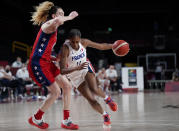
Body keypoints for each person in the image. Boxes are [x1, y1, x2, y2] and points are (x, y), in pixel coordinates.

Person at [27, 1, 81, 130]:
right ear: (53, 16)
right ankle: (36, 117)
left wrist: (53, 58)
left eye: (63, 14)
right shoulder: (48, 25)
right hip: (38, 63)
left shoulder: (54, 28)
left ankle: (66, 120)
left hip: (46, 61)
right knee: (56, 92)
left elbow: (44, 48)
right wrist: (70, 16)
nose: (62, 16)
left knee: (67, 86)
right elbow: (57, 21)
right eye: (60, 14)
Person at [59, 29, 118, 127]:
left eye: (77, 41)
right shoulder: (65, 49)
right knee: (91, 99)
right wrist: (77, 68)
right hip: (74, 75)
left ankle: (108, 99)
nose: (75, 44)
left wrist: (114, 46)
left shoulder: (84, 42)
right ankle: (105, 115)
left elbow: (101, 46)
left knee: (94, 89)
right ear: (69, 40)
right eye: (72, 42)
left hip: (85, 67)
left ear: (80, 40)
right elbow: (62, 71)